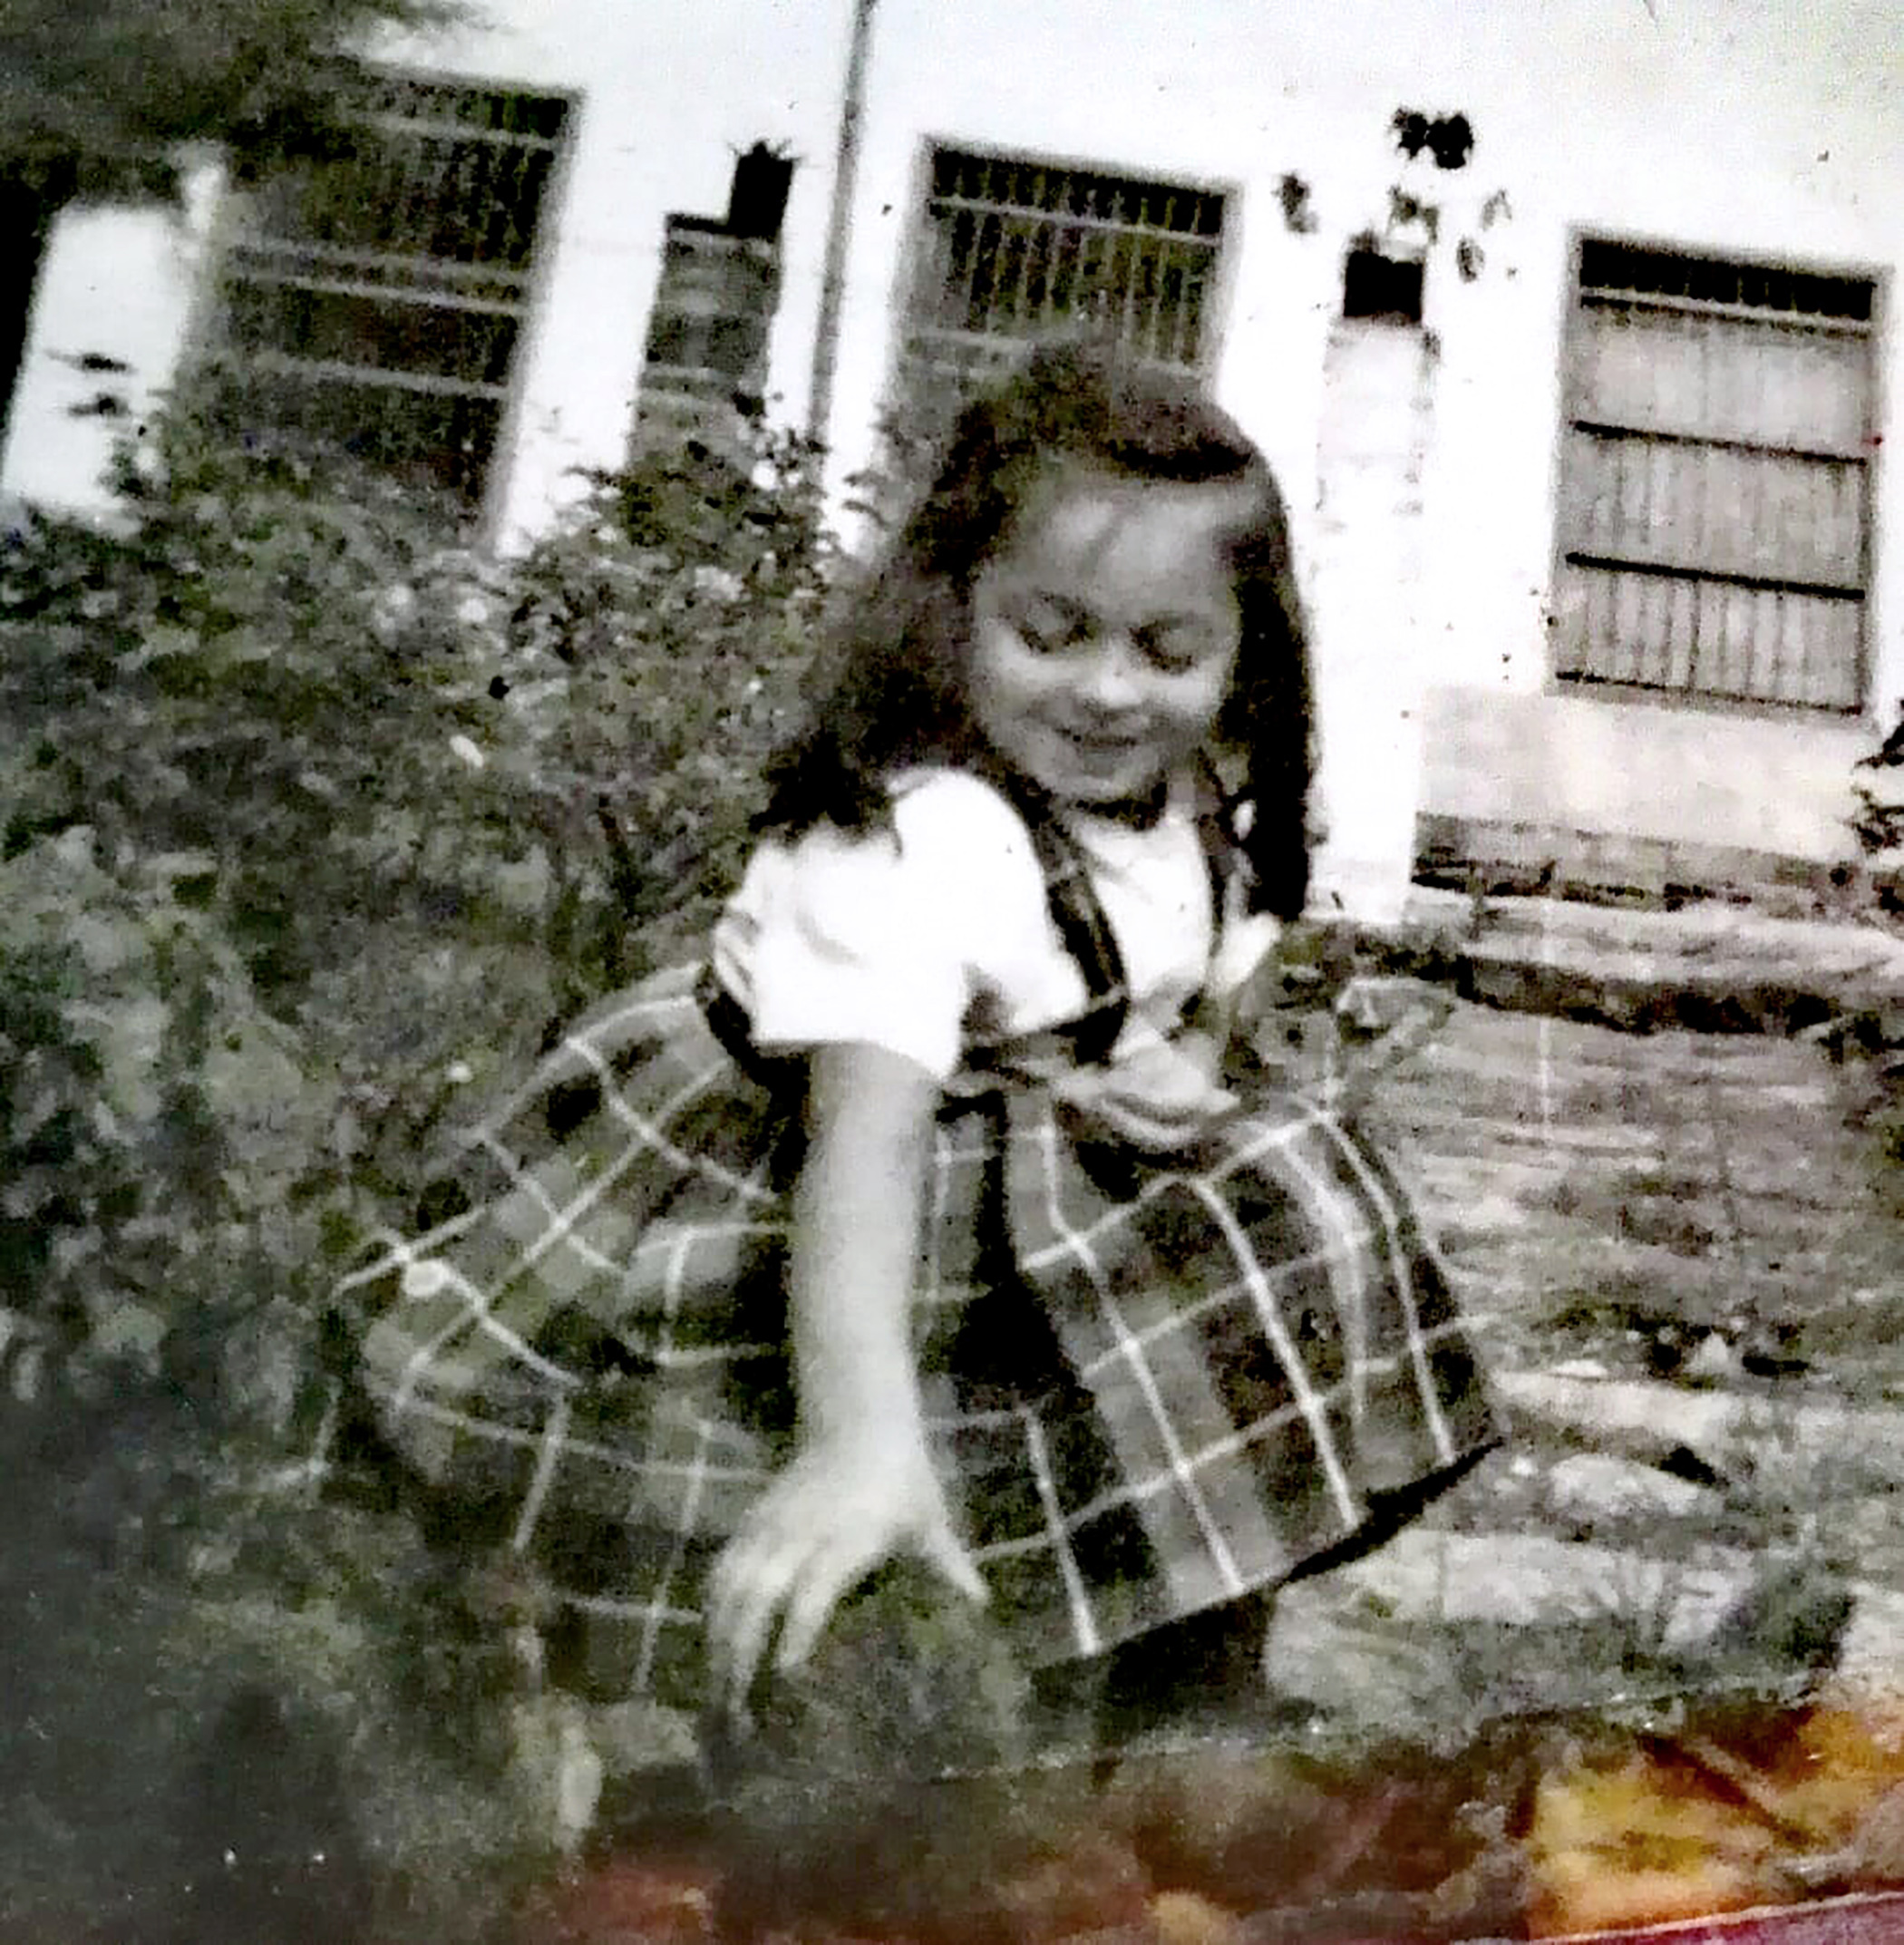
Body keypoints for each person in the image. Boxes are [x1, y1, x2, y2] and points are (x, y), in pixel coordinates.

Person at [339, 342, 1498, 1769]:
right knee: (831, 1478)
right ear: (953, 610)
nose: (1109, 692)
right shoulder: (919, 839)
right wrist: (856, 1442)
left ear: (1241, 655)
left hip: (990, 1163)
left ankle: (1175, 1673)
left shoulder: (1183, 798)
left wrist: (1182, 1055)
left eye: (1167, 649)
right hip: (800, 1192)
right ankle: (811, 1718)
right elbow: (862, 1146)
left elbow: (1212, 964)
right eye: (1051, 631)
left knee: (1280, 1178)